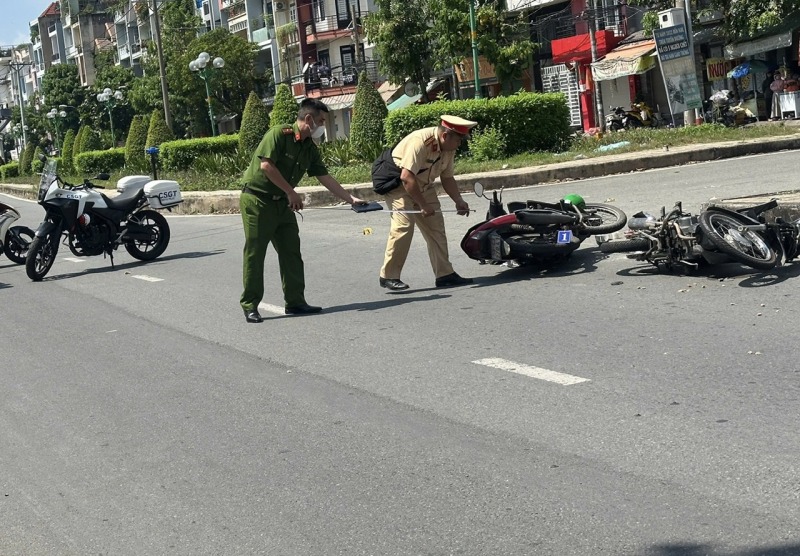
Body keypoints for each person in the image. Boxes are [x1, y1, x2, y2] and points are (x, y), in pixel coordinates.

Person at [239, 98, 366, 323]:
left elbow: (324, 176)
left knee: (291, 252)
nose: (323, 125)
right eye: (321, 121)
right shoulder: (280, 134)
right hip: (258, 201)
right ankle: (250, 305)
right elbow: (266, 166)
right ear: (308, 119)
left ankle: (295, 302)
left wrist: (350, 199)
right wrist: (291, 192)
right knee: (255, 254)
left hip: (283, 204)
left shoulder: (309, 147)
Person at [378, 115, 476, 291]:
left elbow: (447, 177)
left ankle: (445, 274)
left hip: (424, 186)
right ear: (445, 136)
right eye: (459, 140)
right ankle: (388, 276)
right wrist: (423, 205)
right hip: (400, 187)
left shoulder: (448, 148)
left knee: (436, 228)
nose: (460, 144)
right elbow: (406, 177)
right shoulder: (420, 142)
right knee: (403, 227)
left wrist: (459, 201)